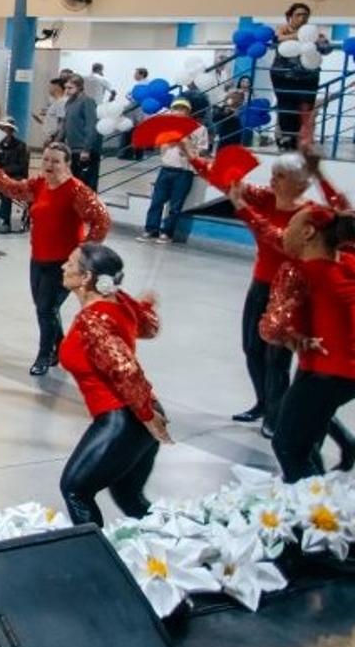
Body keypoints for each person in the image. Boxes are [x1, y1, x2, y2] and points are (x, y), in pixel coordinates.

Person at [197, 151, 339, 434]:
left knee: (277, 359)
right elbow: (224, 181)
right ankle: (264, 403)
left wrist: (243, 209)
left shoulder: (310, 215)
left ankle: (277, 416)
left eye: (281, 176)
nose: (273, 181)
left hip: (290, 293)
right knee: (252, 348)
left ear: (300, 184)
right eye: (273, 174)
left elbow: (280, 241)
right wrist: (192, 156)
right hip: (261, 284)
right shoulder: (264, 197)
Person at [54, 243, 167, 525]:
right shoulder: (119, 301)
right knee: (131, 499)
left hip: (124, 419)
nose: (63, 267)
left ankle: (97, 561)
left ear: (86, 278)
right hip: (139, 415)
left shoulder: (93, 319)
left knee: (75, 489)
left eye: (70, 263)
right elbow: (149, 327)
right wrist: (144, 305)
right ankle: (188, 540)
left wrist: (147, 416)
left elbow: (125, 369)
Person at [0, 142, 111, 376]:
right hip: (38, 257)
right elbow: (11, 188)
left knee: (45, 308)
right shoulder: (39, 184)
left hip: (63, 264)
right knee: (46, 309)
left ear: (67, 164)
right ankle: (59, 348)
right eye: (46, 160)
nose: (49, 165)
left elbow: (101, 220)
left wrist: (83, 253)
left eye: (56, 161)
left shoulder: (76, 190)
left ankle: (44, 355)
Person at [260, 206, 355, 479]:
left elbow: (270, 328)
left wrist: (290, 336)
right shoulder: (347, 261)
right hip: (341, 371)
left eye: (289, 226)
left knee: (288, 447)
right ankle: (316, 498)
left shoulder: (299, 271)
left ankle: (311, 514)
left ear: (308, 232)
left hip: (325, 371)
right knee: (303, 437)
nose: (284, 232)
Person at [140, 100, 207, 243]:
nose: (178, 111)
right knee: (156, 202)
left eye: (182, 109)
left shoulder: (199, 128)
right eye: (175, 108)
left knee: (175, 205)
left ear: (188, 111)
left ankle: (167, 233)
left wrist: (188, 145)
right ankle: (151, 230)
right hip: (166, 168)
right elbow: (155, 143)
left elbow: (202, 149)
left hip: (184, 170)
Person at [272, 2, 329, 151]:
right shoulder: (283, 29)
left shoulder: (314, 32)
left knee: (305, 109)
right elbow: (277, 39)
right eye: (298, 15)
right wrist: (299, 36)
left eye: (305, 15)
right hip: (284, 78)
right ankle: (286, 139)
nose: (302, 18)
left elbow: (326, 48)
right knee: (286, 108)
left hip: (308, 79)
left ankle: (298, 140)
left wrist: (318, 41)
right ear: (290, 16)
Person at [58, 73, 102, 190]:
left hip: (84, 150)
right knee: (72, 184)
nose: (67, 91)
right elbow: (65, 124)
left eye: (70, 88)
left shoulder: (87, 101)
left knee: (86, 187)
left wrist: (86, 149)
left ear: (79, 87)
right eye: (66, 88)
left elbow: (91, 125)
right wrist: (58, 142)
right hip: (72, 149)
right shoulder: (69, 103)